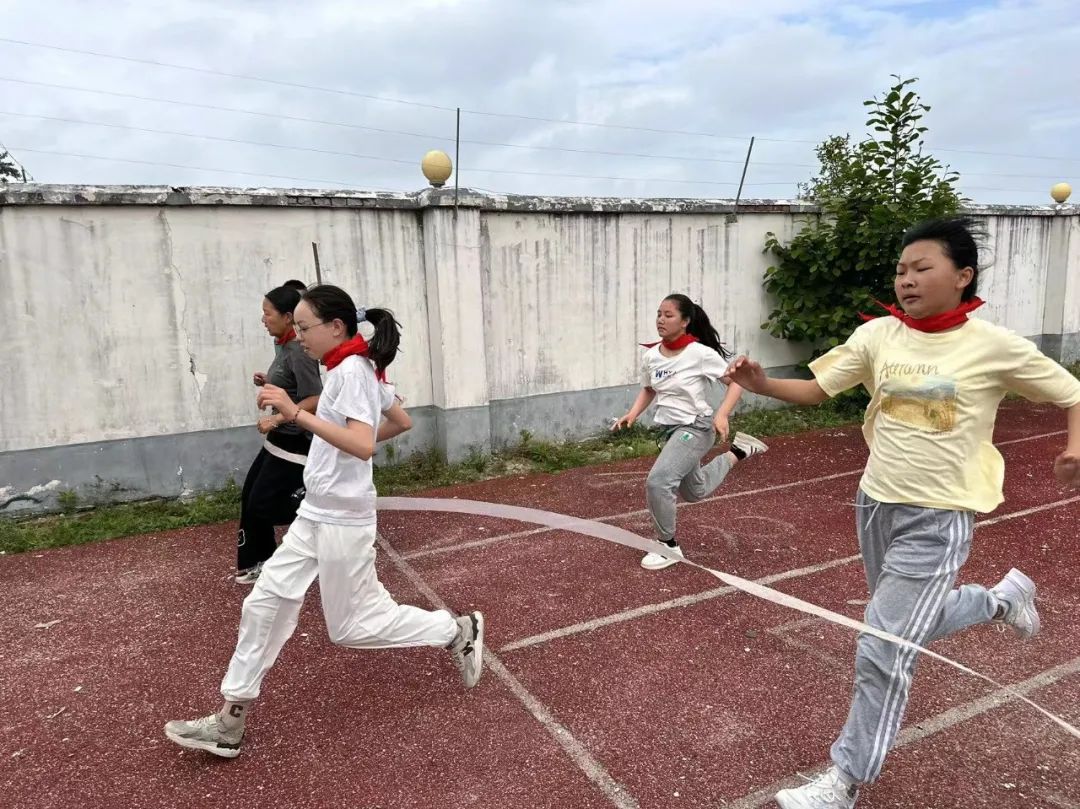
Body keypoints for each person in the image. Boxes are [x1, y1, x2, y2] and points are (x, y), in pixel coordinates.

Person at [723, 217, 1080, 808]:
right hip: (876, 504)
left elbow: (1072, 391)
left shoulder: (992, 346)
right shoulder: (881, 336)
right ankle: (999, 601)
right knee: (901, 627)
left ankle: (845, 782)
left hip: (939, 517)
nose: (906, 280)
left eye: (922, 269)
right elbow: (817, 388)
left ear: (962, 277)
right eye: (901, 270)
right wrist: (762, 384)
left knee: (882, 647)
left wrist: (1075, 446)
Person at [165, 285, 485, 758]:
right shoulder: (349, 367)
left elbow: (362, 444)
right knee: (264, 603)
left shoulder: (351, 370)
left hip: (343, 519)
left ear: (336, 327)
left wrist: (296, 414)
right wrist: (334, 435)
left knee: (352, 627)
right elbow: (399, 421)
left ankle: (456, 630)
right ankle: (230, 720)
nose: (297, 334)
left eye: (304, 326)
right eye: (294, 324)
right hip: (315, 511)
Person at [612, 293, 768, 570]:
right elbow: (649, 389)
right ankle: (738, 452)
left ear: (685, 322)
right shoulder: (651, 356)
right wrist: (632, 414)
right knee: (695, 491)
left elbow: (738, 382)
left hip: (696, 427)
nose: (661, 319)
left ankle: (667, 546)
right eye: (659, 314)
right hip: (669, 432)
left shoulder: (699, 354)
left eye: (668, 315)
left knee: (659, 481)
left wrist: (721, 414)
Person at [236, 285, 323, 584]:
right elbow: (291, 383)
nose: (263, 319)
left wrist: (275, 421)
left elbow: (315, 398)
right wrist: (269, 380)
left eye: (267, 313)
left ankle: (320, 532)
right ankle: (261, 560)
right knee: (250, 496)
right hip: (279, 438)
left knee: (264, 503)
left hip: (295, 440)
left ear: (288, 317)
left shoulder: (300, 351)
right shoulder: (283, 345)